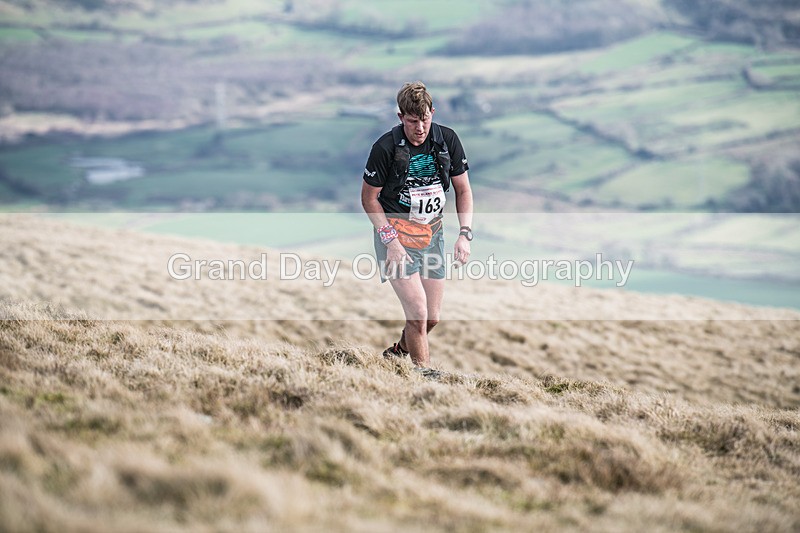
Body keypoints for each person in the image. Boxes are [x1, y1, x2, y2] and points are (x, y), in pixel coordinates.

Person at [361, 81, 473, 369]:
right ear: (401, 118)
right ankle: (423, 376)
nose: (420, 127)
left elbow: (463, 190)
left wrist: (464, 234)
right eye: (412, 121)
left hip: (432, 235)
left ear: (432, 112)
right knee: (418, 313)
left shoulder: (447, 140)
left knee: (431, 318)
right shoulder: (385, 148)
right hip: (395, 236)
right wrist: (391, 244)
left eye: (424, 119)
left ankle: (397, 353)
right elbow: (369, 199)